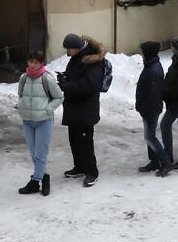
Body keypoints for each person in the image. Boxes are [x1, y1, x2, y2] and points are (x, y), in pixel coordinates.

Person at [59, 34, 109, 186]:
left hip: (85, 110)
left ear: (76, 48)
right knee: (74, 140)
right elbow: (76, 76)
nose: (67, 53)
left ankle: (92, 172)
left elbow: (88, 85)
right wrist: (65, 77)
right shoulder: (77, 58)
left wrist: (66, 86)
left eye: (69, 49)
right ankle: (79, 167)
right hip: (74, 107)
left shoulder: (92, 61)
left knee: (85, 142)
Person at [16, 51, 62, 196]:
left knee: (40, 154)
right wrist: (22, 105)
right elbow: (21, 95)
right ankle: (45, 177)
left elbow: (59, 97)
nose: (33, 64)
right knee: (33, 153)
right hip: (28, 121)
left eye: (36, 62)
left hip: (43, 121)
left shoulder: (47, 78)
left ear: (42, 63)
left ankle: (35, 182)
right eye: (31, 61)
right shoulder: (23, 78)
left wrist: (47, 109)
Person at [134, 40, 168, 175]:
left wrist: (144, 108)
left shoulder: (153, 70)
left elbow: (153, 94)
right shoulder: (151, 65)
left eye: (142, 51)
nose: (140, 53)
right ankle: (154, 162)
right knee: (149, 135)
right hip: (147, 107)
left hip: (150, 109)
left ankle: (165, 163)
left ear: (147, 53)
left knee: (150, 137)